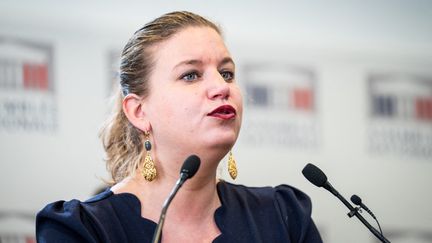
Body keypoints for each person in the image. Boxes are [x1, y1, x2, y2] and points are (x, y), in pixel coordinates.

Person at [36, 11, 323, 243]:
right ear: (138, 111)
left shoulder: (283, 215)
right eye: (191, 75)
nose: (221, 87)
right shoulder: (83, 229)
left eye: (226, 73)